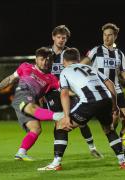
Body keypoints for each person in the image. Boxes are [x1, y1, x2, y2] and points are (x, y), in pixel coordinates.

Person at [37, 48, 125, 171]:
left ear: (64, 61)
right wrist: (114, 105)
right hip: (106, 99)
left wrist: (67, 116)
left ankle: (56, 163)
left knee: (60, 126)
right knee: (109, 129)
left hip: (89, 101)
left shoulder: (65, 71)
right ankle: (122, 162)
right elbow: (110, 83)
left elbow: (64, 94)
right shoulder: (91, 68)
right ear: (78, 60)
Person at [0, 47, 63, 161]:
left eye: (47, 59)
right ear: (36, 59)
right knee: (31, 107)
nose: (45, 62)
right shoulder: (26, 66)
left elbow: (65, 90)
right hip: (22, 96)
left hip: (31, 101)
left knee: (36, 129)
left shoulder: (51, 79)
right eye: (42, 59)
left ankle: (21, 153)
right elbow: (9, 79)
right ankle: (60, 116)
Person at [45, 25, 103, 158]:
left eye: (63, 38)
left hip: (70, 91)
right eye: (58, 37)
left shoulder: (69, 54)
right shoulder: (46, 54)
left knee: (81, 120)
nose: (61, 40)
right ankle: (58, 154)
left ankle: (92, 147)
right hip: (53, 93)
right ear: (53, 37)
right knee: (59, 121)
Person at [81, 23, 125, 137]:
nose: (106, 37)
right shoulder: (96, 50)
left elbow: (124, 74)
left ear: (115, 36)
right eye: (104, 35)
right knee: (114, 119)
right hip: (103, 91)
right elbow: (83, 64)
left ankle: (123, 146)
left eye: (109, 35)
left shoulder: (120, 54)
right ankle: (113, 138)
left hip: (117, 89)